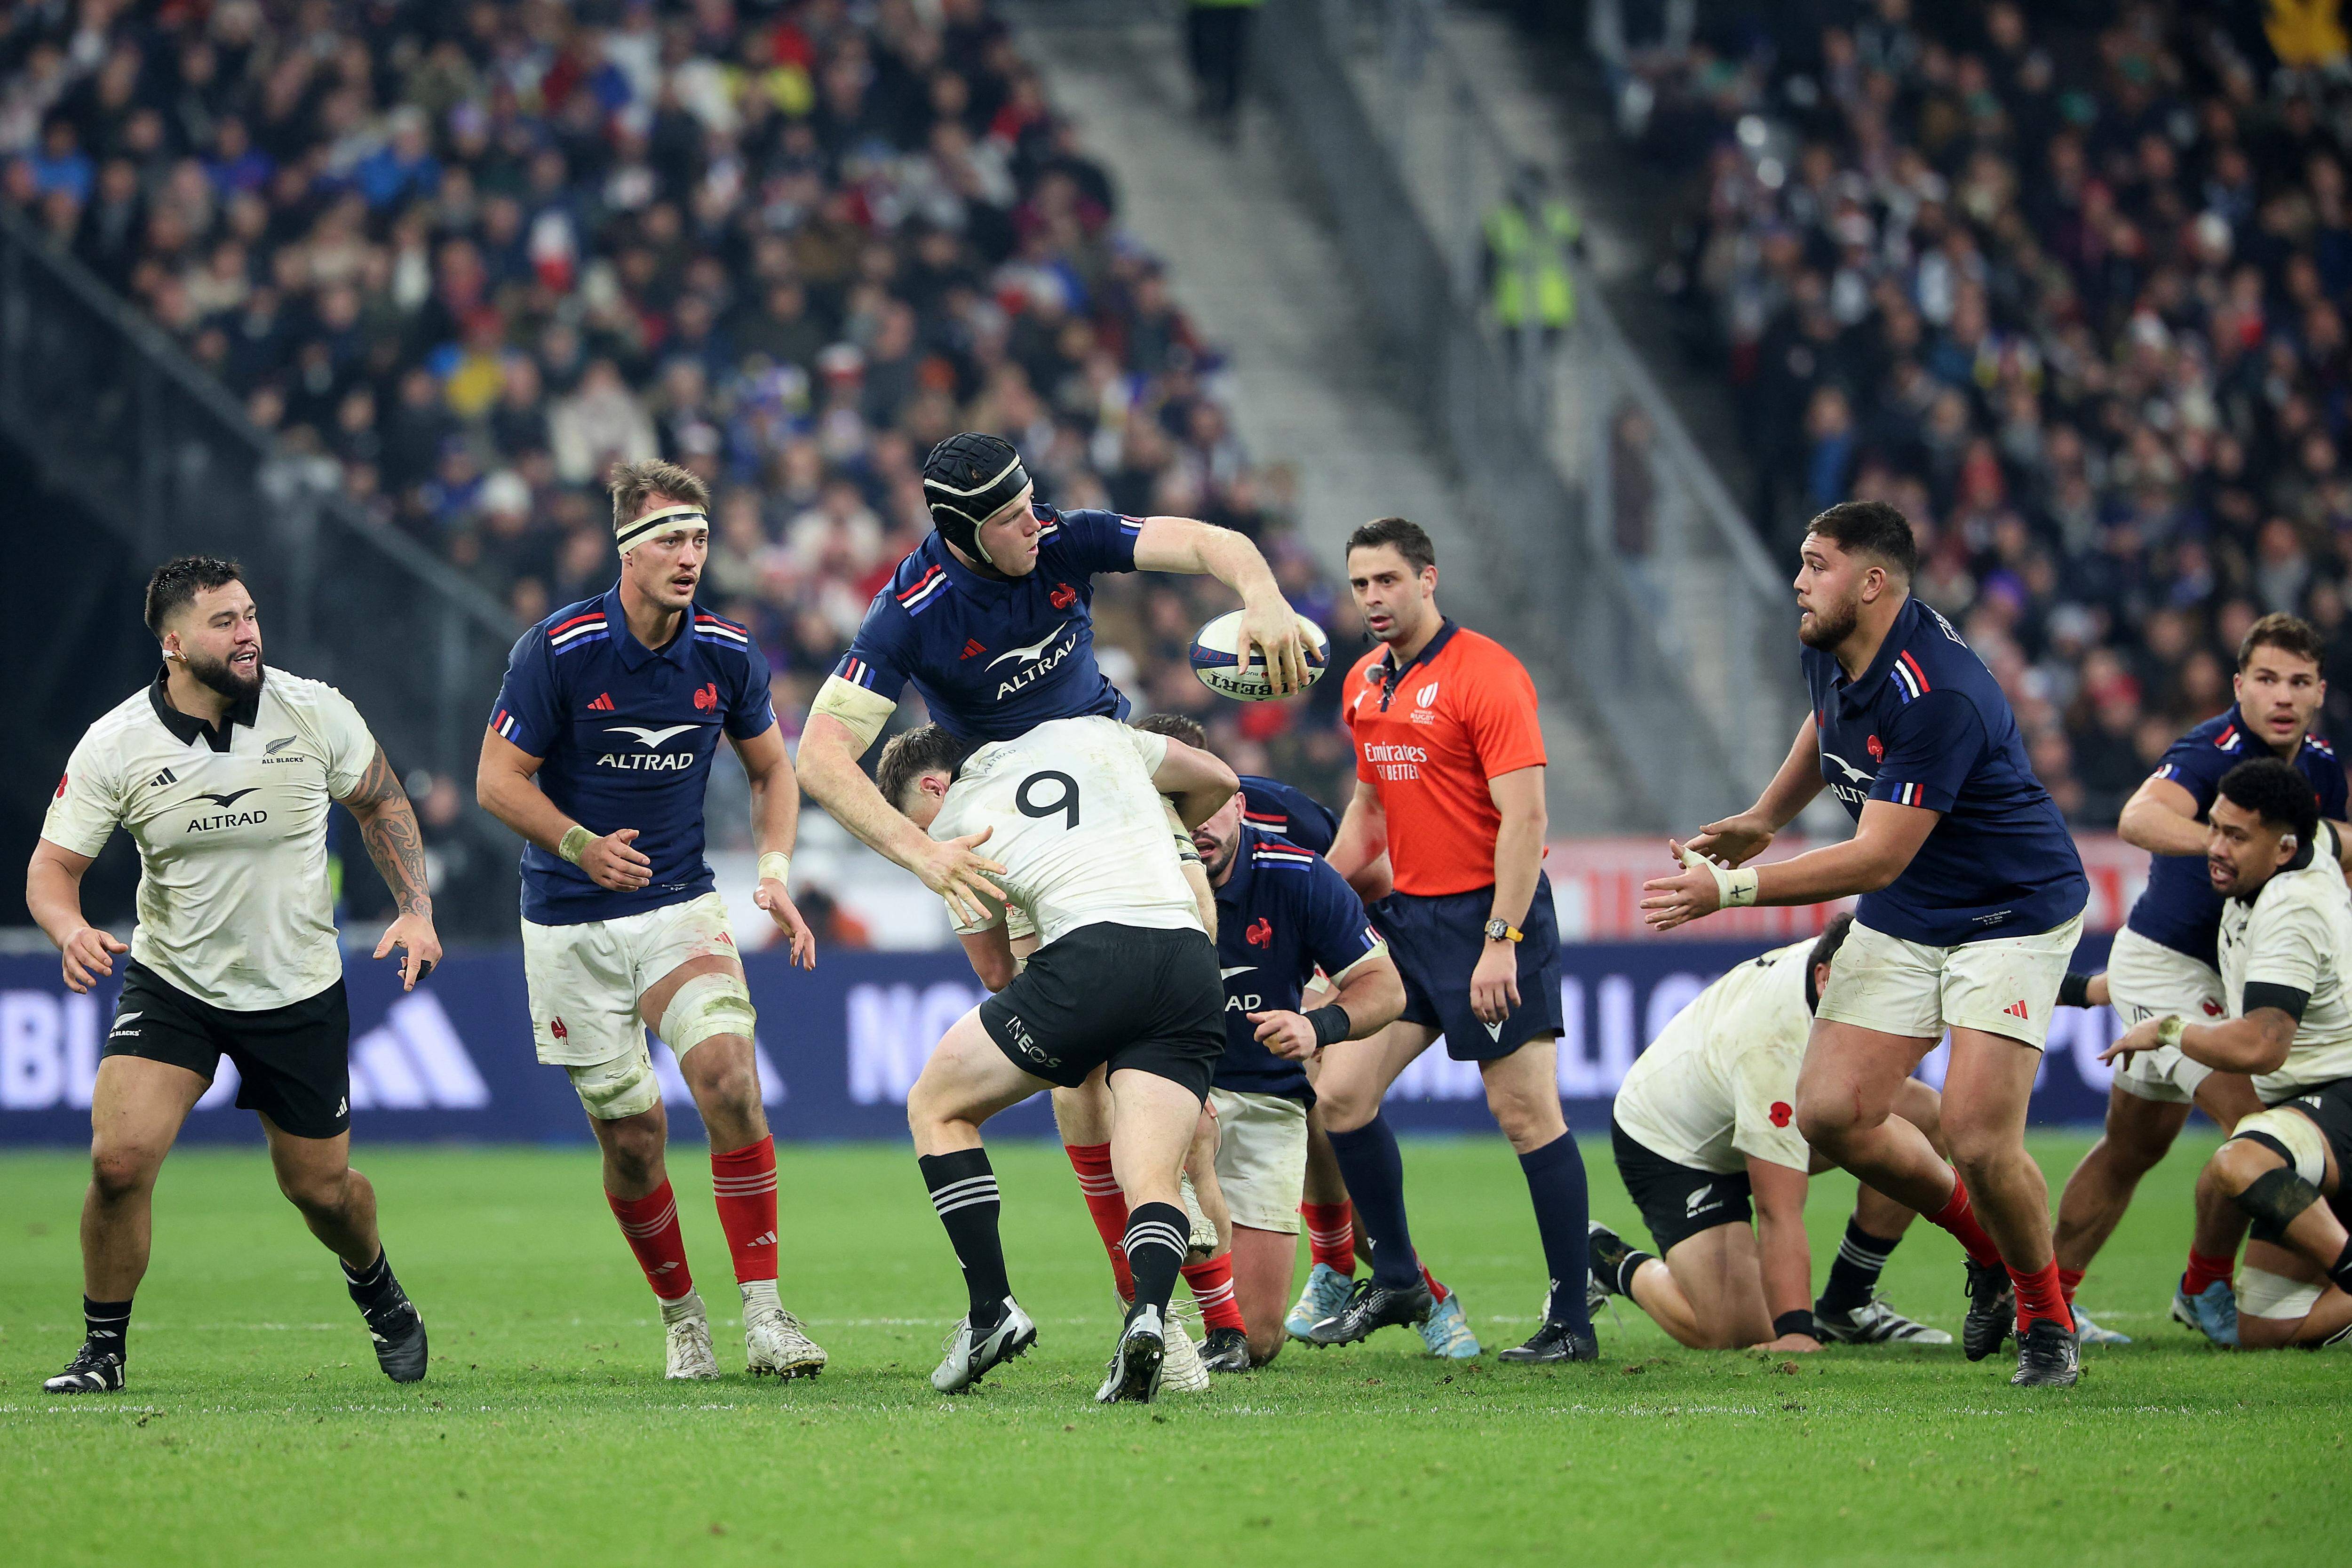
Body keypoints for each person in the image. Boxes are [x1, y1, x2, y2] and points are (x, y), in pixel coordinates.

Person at [792, 432, 1310, 1349]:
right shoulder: (908, 614)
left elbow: (1207, 543)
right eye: (1009, 516)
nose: (1035, 523)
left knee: (1174, 1059)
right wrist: (923, 854)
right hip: (1027, 834)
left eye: (1032, 500)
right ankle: (1151, 1311)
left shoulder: (1065, 539)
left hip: (1125, 783)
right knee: (1081, 1091)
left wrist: (1262, 597)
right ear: (959, 532)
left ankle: (1219, 1309)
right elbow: (819, 756)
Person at [1642, 499, 2091, 1387]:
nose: (1798, 581)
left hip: (2013, 908)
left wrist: (1731, 888)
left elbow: (1878, 857)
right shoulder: (1837, 645)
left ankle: (2047, 1317)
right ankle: (1989, 1254)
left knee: (1976, 1134)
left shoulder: (1939, 691)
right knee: (1833, 1113)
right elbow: (1829, 722)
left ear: (1873, 582)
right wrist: (1768, 816)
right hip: (1918, 906)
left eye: (1817, 564)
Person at [32, 557, 439, 1393]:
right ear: (175, 643)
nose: (248, 632)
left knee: (322, 1192)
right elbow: (52, 867)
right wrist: (69, 927)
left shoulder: (313, 709)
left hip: (296, 989)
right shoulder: (117, 743)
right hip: (173, 981)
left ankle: (380, 1289)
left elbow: (383, 801)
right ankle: (102, 1351)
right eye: (225, 621)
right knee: (119, 1161)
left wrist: (415, 907)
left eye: (250, 614)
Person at [475, 459, 824, 1383]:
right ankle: (682, 1318)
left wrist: (777, 870)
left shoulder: (728, 653)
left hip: (678, 903)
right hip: (568, 922)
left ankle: (766, 1314)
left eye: (700, 537)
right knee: (631, 1137)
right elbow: (496, 781)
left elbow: (771, 770)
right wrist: (581, 843)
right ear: (625, 550)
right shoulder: (556, 650)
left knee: (729, 1082)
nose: (690, 555)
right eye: (669, 538)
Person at [1307, 517, 1597, 1363]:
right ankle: (1397, 1273)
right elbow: (1368, 809)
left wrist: (1501, 939)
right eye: (1360, 585)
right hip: (1408, 923)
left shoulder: (1489, 674)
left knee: (1523, 1110)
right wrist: (1316, 904)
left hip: (1492, 919)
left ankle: (1571, 1321)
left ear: (1429, 580)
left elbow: (1528, 816)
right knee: (1342, 1094)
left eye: (1388, 582)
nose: (1373, 600)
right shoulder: (1363, 680)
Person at [879, 717, 1237, 1403]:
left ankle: (991, 1310)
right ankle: (1152, 1320)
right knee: (1153, 1176)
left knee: (937, 1104)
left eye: (913, 823)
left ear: (932, 786)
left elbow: (993, 972)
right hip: (1190, 961)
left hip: (1091, 957)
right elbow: (1220, 779)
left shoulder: (959, 817)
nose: (922, 842)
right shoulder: (1095, 743)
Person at [1129, 716, 1472, 1360]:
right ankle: (1162, 1314)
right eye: (1171, 806)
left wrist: (1318, 1008)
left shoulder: (1295, 846)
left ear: (1236, 796)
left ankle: (1403, 1285)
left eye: (1203, 800)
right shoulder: (1123, 870)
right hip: (1178, 1095)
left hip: (1268, 1083)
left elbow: (1371, 901)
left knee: (1330, 1115)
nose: (1191, 819)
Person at [2052, 614, 2348, 1345]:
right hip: (2167, 965)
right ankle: (2205, 1282)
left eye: (2299, 682)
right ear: (2240, 686)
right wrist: (2232, 846)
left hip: (2229, 968)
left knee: (2131, 1148)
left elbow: (2335, 853)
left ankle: (2041, 1298)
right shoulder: (2212, 750)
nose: (2283, 696)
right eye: (2268, 679)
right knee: (2256, 1126)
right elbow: (2138, 818)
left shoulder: (2320, 764)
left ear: (2318, 692)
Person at [1590, 914, 1949, 1350]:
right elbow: (1779, 1210)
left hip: (1743, 1103)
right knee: (1735, 1332)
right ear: (1824, 979)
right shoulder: (1773, 1048)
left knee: (1927, 1116)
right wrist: (1795, 1332)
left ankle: (1847, 1304)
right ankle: (1604, 1258)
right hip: (1674, 1145)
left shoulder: (1850, 959)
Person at [2102, 759, 2352, 1350]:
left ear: (2285, 847)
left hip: (2338, 1100)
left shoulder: (2291, 910)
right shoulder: (2268, 877)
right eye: (2214, 827)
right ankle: (2206, 1286)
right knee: (2259, 1330)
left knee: (2240, 1162)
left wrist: (2167, 1030)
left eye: (2234, 837)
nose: (2213, 848)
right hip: (2309, 1116)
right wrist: (2074, 992)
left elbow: (2262, 1046)